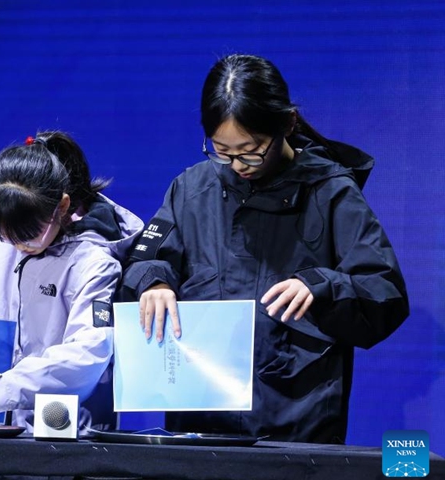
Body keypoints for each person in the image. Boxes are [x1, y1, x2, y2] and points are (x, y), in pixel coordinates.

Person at [119, 54, 409, 443]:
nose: (238, 164)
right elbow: (143, 257)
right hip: (201, 419)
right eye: (222, 150)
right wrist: (154, 282)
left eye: (251, 149)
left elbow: (384, 293)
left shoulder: (331, 192)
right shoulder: (192, 187)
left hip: (296, 420)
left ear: (287, 123)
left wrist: (319, 286)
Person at [0, 131, 143, 432]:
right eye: (6, 237)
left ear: (61, 206)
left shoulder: (94, 262)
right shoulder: (6, 229)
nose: (17, 246)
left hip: (68, 433)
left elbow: (87, 353)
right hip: (3, 427)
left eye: (28, 238)